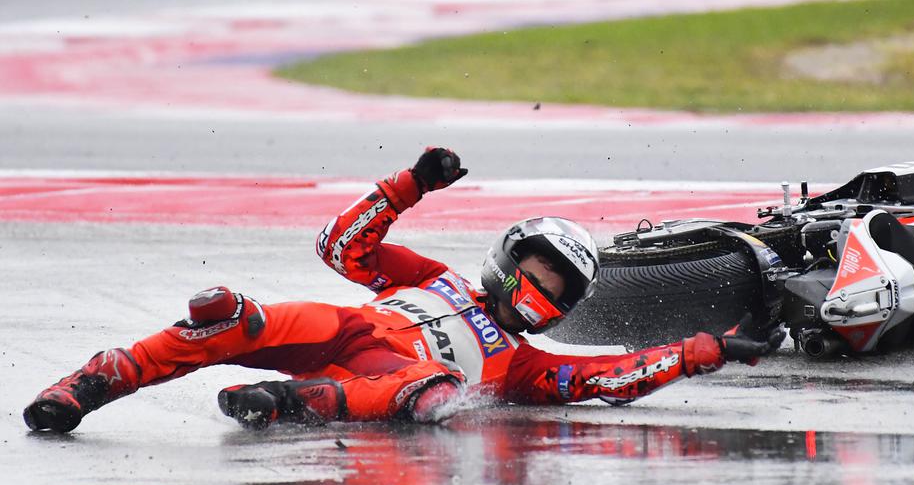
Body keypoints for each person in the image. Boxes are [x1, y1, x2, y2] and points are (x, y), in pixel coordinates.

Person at [24, 147, 783, 433]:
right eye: (538, 269)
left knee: (434, 393)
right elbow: (342, 247)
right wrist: (409, 185)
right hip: (345, 327)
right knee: (241, 318)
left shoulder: (526, 367)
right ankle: (89, 385)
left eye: (557, 287)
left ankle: (290, 405)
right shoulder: (434, 276)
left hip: (399, 380)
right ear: (507, 257)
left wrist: (702, 350)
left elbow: (608, 379)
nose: (539, 291)